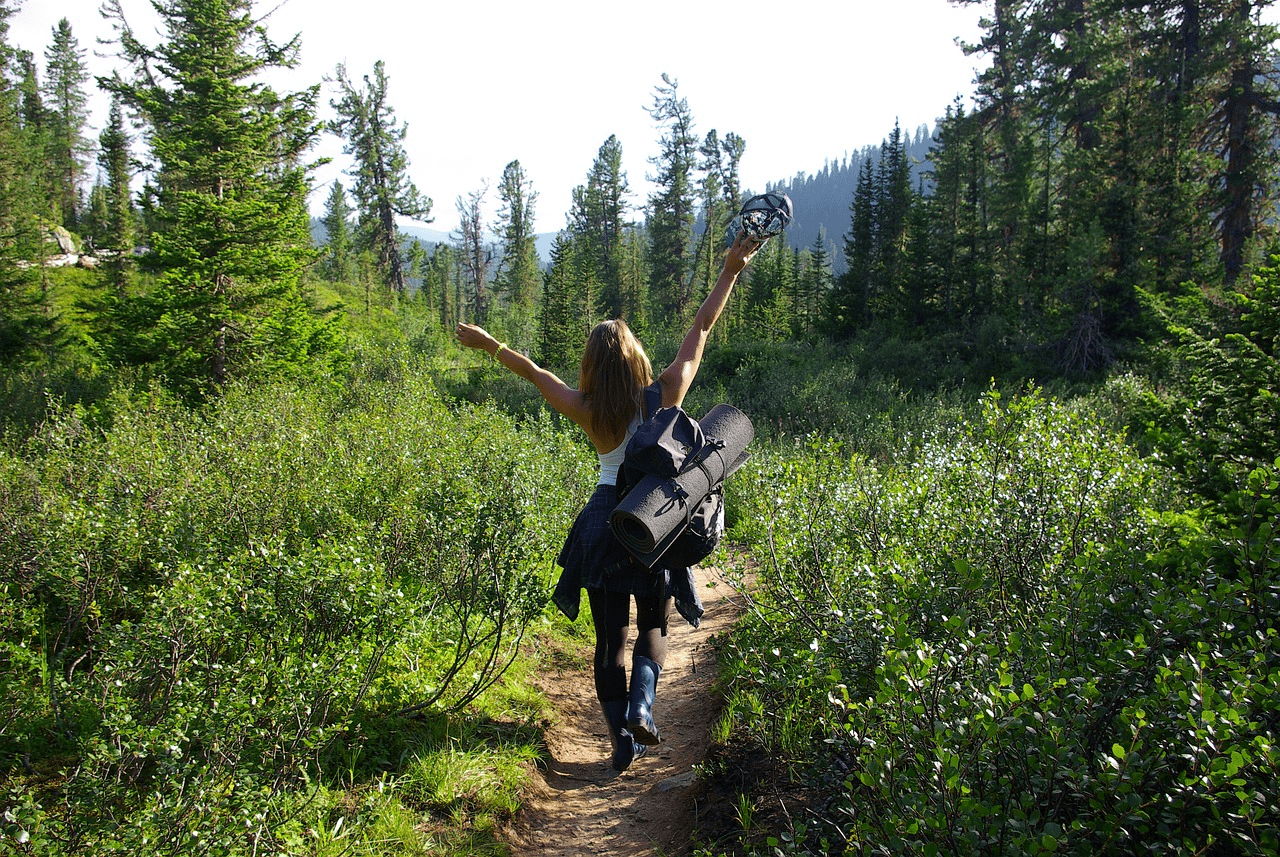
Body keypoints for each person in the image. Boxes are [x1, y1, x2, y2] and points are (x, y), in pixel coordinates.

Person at [456, 232, 764, 773]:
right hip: (651, 521)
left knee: (609, 642)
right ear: (637, 357)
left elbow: (533, 372)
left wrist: (489, 344)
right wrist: (731, 270)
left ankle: (621, 741)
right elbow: (701, 328)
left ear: (592, 365)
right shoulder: (666, 392)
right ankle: (642, 706)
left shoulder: (586, 406)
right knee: (653, 630)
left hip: (603, 523)